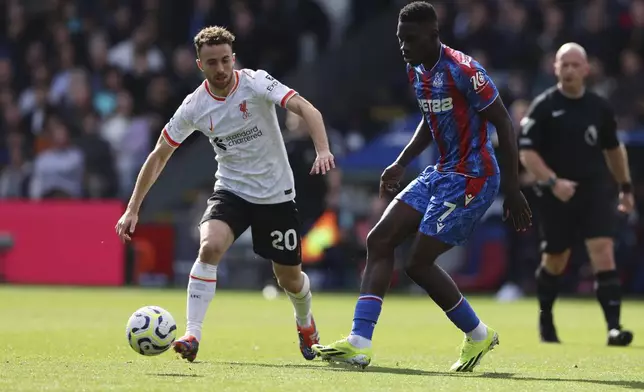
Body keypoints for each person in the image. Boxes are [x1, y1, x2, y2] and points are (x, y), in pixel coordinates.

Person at [312, 1, 531, 372]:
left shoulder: (465, 70)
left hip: (473, 177)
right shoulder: (416, 69)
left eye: (410, 39)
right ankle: (359, 343)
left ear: (433, 35)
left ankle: (478, 335)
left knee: (418, 263)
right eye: (400, 39)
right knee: (379, 241)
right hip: (440, 171)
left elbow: (505, 126)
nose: (403, 46)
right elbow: (431, 118)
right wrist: (400, 161)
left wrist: (513, 188)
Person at [115, 26, 336, 362]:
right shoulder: (194, 106)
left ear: (233, 58)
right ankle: (192, 334)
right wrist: (133, 208)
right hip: (231, 190)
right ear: (199, 64)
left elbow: (307, 109)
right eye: (211, 62)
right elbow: (159, 154)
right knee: (210, 246)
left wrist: (322, 150)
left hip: (276, 194)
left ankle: (305, 323)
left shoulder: (256, 82)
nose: (220, 69)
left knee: (289, 279)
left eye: (224, 60)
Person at [518, 42, 635, 346]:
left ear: (586, 69)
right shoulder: (543, 106)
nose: (569, 70)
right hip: (556, 195)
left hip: (594, 190)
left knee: (603, 251)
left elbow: (613, 150)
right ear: (555, 68)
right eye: (563, 64)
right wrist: (554, 182)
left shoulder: (600, 107)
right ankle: (546, 319)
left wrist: (625, 187)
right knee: (556, 258)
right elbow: (527, 153)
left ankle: (613, 327)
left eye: (575, 64)